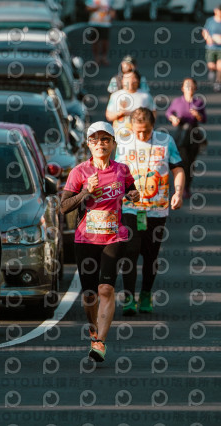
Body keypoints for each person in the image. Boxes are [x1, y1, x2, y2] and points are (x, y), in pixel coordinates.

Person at [61, 121, 140, 361]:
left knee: (105, 288)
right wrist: (86, 191)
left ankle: (100, 342)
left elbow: (131, 189)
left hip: (114, 237)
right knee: (89, 296)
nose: (100, 144)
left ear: (113, 143)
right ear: (89, 144)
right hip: (85, 239)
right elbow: (63, 207)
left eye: (105, 139)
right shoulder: (79, 172)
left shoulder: (122, 170)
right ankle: (94, 329)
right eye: (95, 140)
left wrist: (133, 194)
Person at [114, 107, 185, 315]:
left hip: (156, 209)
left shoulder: (165, 141)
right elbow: (115, 173)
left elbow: (178, 169)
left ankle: (146, 294)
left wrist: (178, 193)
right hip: (130, 207)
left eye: (146, 131)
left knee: (150, 254)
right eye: (138, 131)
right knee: (130, 250)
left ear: (153, 126)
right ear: (131, 127)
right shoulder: (123, 143)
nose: (142, 135)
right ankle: (129, 298)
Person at [166, 77, 207, 198]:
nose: (189, 88)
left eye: (192, 86)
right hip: (181, 135)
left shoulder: (199, 102)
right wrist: (173, 118)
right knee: (182, 162)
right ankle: (180, 187)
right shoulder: (177, 101)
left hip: (194, 134)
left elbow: (204, 119)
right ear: (182, 88)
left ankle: (187, 186)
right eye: (187, 85)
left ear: (195, 88)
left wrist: (198, 115)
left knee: (191, 163)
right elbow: (168, 112)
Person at [105, 70, 156, 141]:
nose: (130, 81)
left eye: (133, 78)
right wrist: (121, 113)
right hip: (120, 136)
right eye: (127, 78)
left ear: (138, 80)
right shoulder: (115, 96)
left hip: (140, 137)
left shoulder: (146, 96)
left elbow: (153, 115)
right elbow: (108, 116)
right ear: (122, 81)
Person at [85, 0, 115, 65]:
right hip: (94, 22)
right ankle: (96, 57)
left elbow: (112, 8)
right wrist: (98, 7)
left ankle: (104, 57)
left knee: (105, 41)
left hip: (105, 23)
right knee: (95, 41)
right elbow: (87, 8)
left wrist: (112, 15)